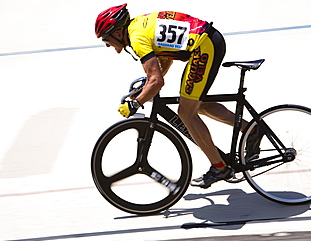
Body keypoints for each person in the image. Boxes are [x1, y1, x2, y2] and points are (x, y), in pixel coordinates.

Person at [95, 4, 262, 188]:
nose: (107, 44)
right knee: (198, 105)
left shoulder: (137, 38)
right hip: (208, 40)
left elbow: (156, 81)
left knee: (186, 113)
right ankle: (251, 130)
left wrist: (135, 103)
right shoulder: (137, 26)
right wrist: (148, 84)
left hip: (204, 46)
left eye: (106, 38)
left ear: (118, 33)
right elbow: (165, 57)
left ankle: (220, 167)